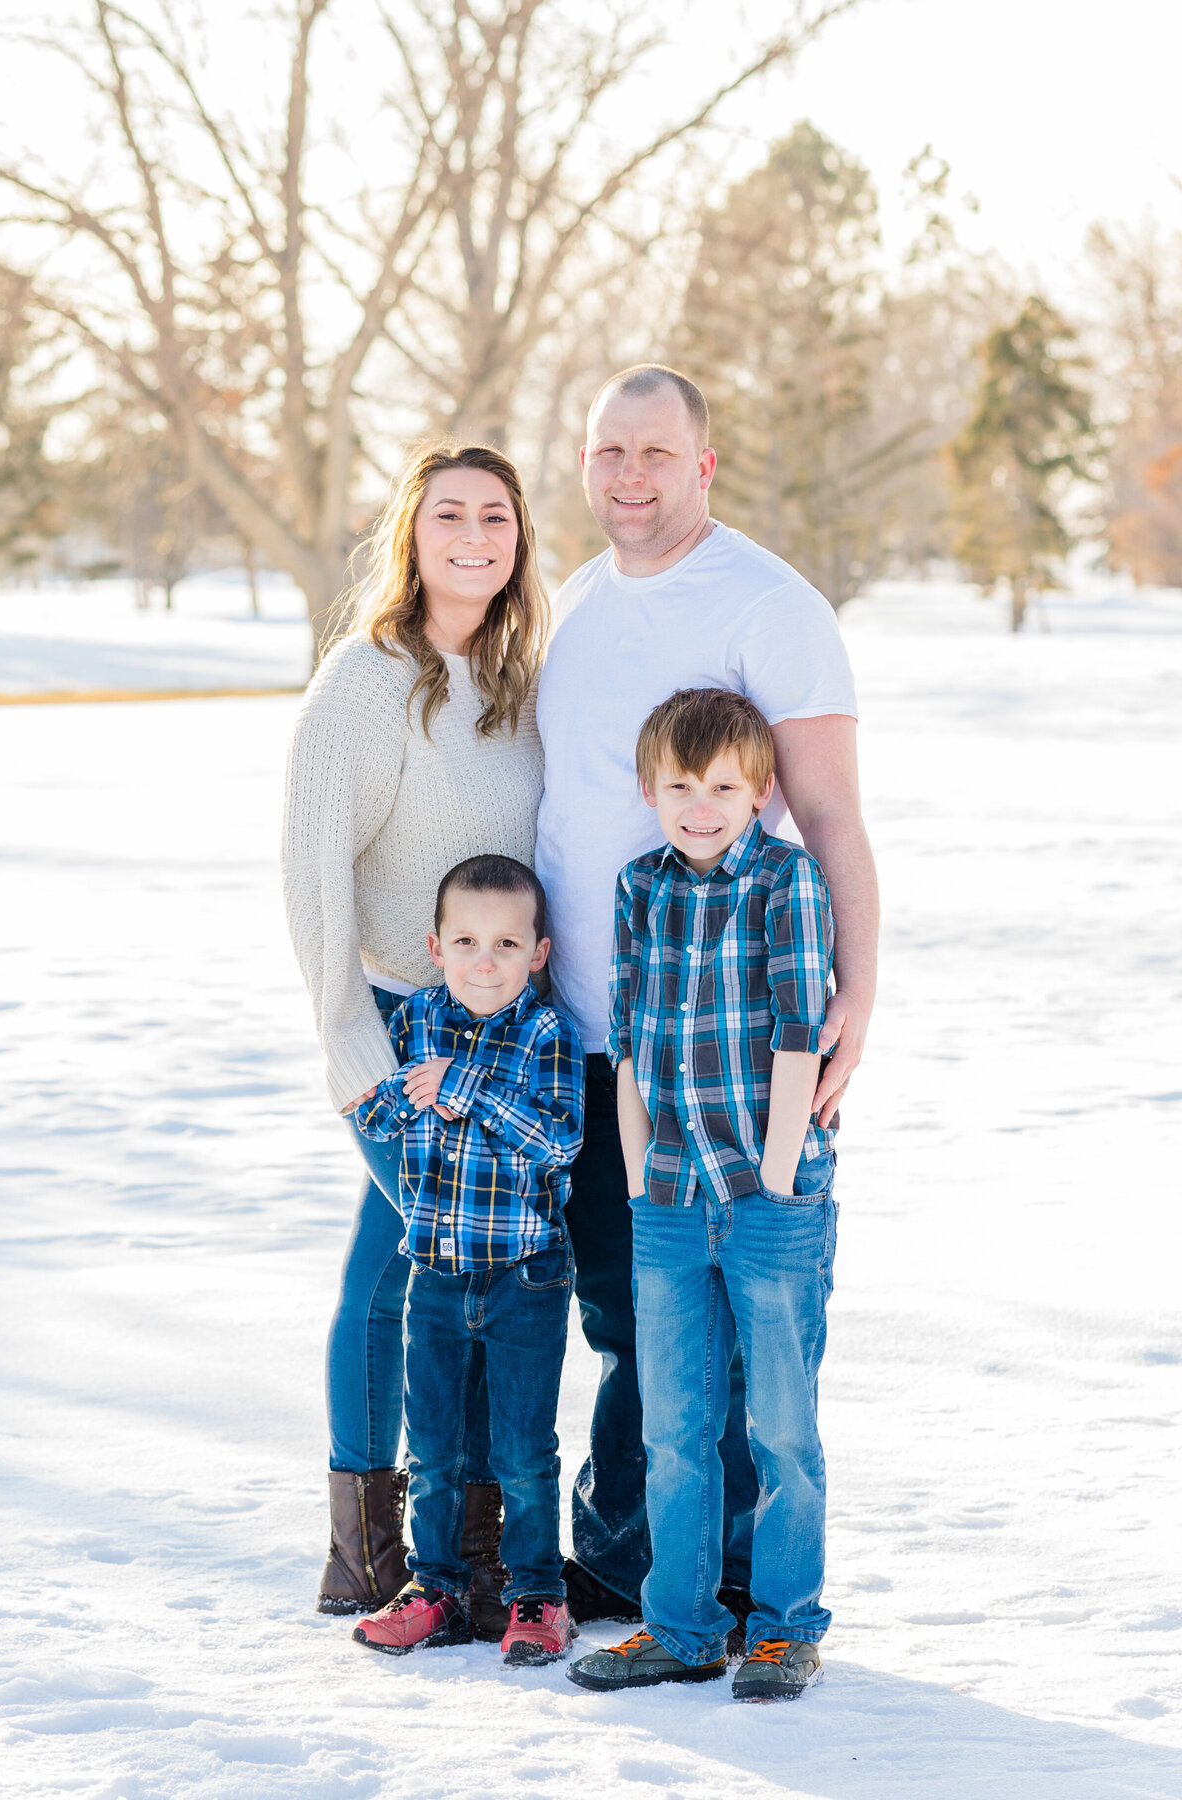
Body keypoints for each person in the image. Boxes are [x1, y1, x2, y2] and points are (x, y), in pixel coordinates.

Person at [535, 364, 877, 1625]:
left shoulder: (772, 606)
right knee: (628, 1315)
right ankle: (631, 1553)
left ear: (704, 466)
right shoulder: (573, 598)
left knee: (741, 1317)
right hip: (587, 1032)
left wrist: (859, 998)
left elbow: (834, 817)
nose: (629, 476)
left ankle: (739, 1575)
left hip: (726, 1052)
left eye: (656, 454)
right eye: (607, 451)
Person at [282, 445, 548, 1632]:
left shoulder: (515, 676)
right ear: (414, 533)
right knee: (424, 1272)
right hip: (403, 1023)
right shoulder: (366, 679)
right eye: (451, 514)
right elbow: (312, 872)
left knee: (421, 1263)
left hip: (504, 1023)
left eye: (497, 515)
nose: (475, 534)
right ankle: (410, 1546)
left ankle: (426, 1550)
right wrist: (355, 1054)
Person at [567, 689, 836, 1701]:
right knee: (673, 1428)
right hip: (669, 1198)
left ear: (760, 791)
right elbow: (629, 1043)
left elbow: (801, 1031)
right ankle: (678, 1626)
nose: (701, 804)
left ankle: (782, 1627)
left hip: (771, 1200)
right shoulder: (641, 888)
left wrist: (769, 1180)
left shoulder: (785, 881)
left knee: (779, 1427)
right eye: (679, 786)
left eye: (723, 786)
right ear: (650, 790)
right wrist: (641, 1181)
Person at [349, 855, 585, 1666]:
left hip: (526, 1276)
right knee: (436, 1446)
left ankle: (535, 1596)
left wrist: (466, 1086)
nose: (486, 961)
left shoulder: (548, 1033)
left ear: (539, 952)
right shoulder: (413, 1021)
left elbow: (561, 1140)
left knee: (523, 1451)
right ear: (436, 945)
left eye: (508, 944)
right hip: (438, 1275)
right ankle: (437, 1587)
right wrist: (400, 1088)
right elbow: (381, 1117)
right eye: (467, 941)